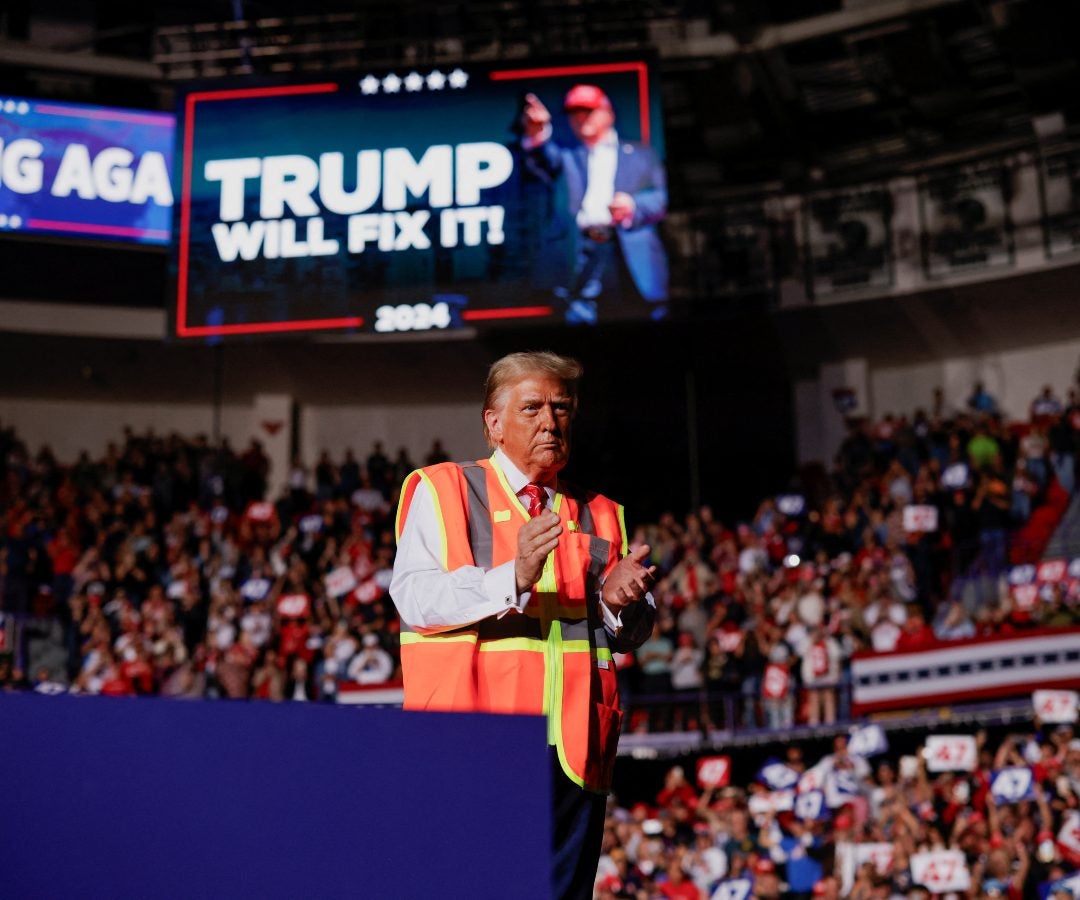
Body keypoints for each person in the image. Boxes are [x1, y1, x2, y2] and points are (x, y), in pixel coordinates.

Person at [390, 351, 657, 899]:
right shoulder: (444, 490)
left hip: (577, 745)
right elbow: (415, 599)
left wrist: (620, 604)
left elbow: (626, 634)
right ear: (493, 422)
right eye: (532, 407)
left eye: (561, 408)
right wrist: (511, 576)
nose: (550, 421)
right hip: (476, 740)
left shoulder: (601, 512)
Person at [521, 85, 669, 324]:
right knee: (579, 317)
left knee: (641, 319)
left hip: (628, 247)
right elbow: (542, 161)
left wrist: (633, 205)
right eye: (574, 113)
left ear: (608, 114)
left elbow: (662, 198)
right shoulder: (568, 156)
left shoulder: (641, 153)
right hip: (584, 248)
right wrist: (537, 134)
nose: (580, 119)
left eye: (587, 111)